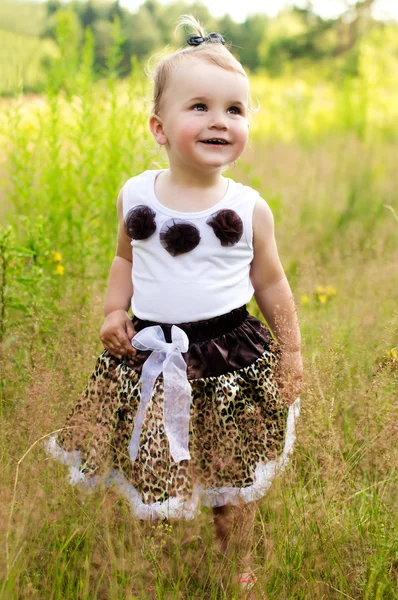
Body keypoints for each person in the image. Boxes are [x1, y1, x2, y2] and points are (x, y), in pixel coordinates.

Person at [45, 15, 302, 599]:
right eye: (201, 107)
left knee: (231, 478)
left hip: (228, 359)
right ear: (159, 128)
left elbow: (272, 282)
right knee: (151, 464)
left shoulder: (250, 207)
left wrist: (292, 349)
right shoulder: (136, 194)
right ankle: (152, 561)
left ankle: (234, 562)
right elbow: (125, 261)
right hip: (151, 356)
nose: (220, 120)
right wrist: (115, 312)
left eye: (235, 110)